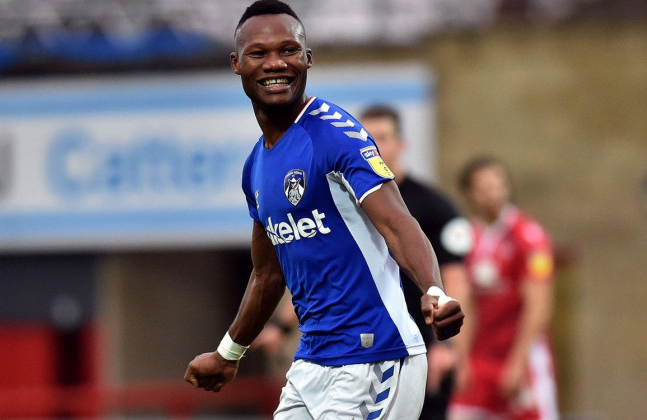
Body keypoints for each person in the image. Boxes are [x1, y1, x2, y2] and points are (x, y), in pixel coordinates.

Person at [183, 1, 465, 419]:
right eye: (259, 53)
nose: (275, 63)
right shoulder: (256, 167)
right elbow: (268, 273)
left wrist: (433, 291)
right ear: (236, 64)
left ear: (308, 59)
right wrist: (229, 353)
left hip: (375, 355)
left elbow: (398, 222)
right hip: (312, 363)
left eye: (288, 50)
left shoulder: (336, 135)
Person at [252, 105, 474, 420]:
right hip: (351, 349)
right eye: (369, 137)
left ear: (401, 144)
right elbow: (325, 271)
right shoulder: (340, 196)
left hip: (410, 345)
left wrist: (449, 348)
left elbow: (457, 280)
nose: (375, 145)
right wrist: (281, 325)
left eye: (383, 137)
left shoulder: (434, 206)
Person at [449, 157, 559, 420]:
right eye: (484, 188)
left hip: (520, 356)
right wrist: (460, 358)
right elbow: (463, 303)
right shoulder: (464, 238)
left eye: (498, 186)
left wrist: (518, 361)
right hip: (479, 360)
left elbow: (539, 304)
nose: (493, 195)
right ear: (470, 194)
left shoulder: (529, 236)